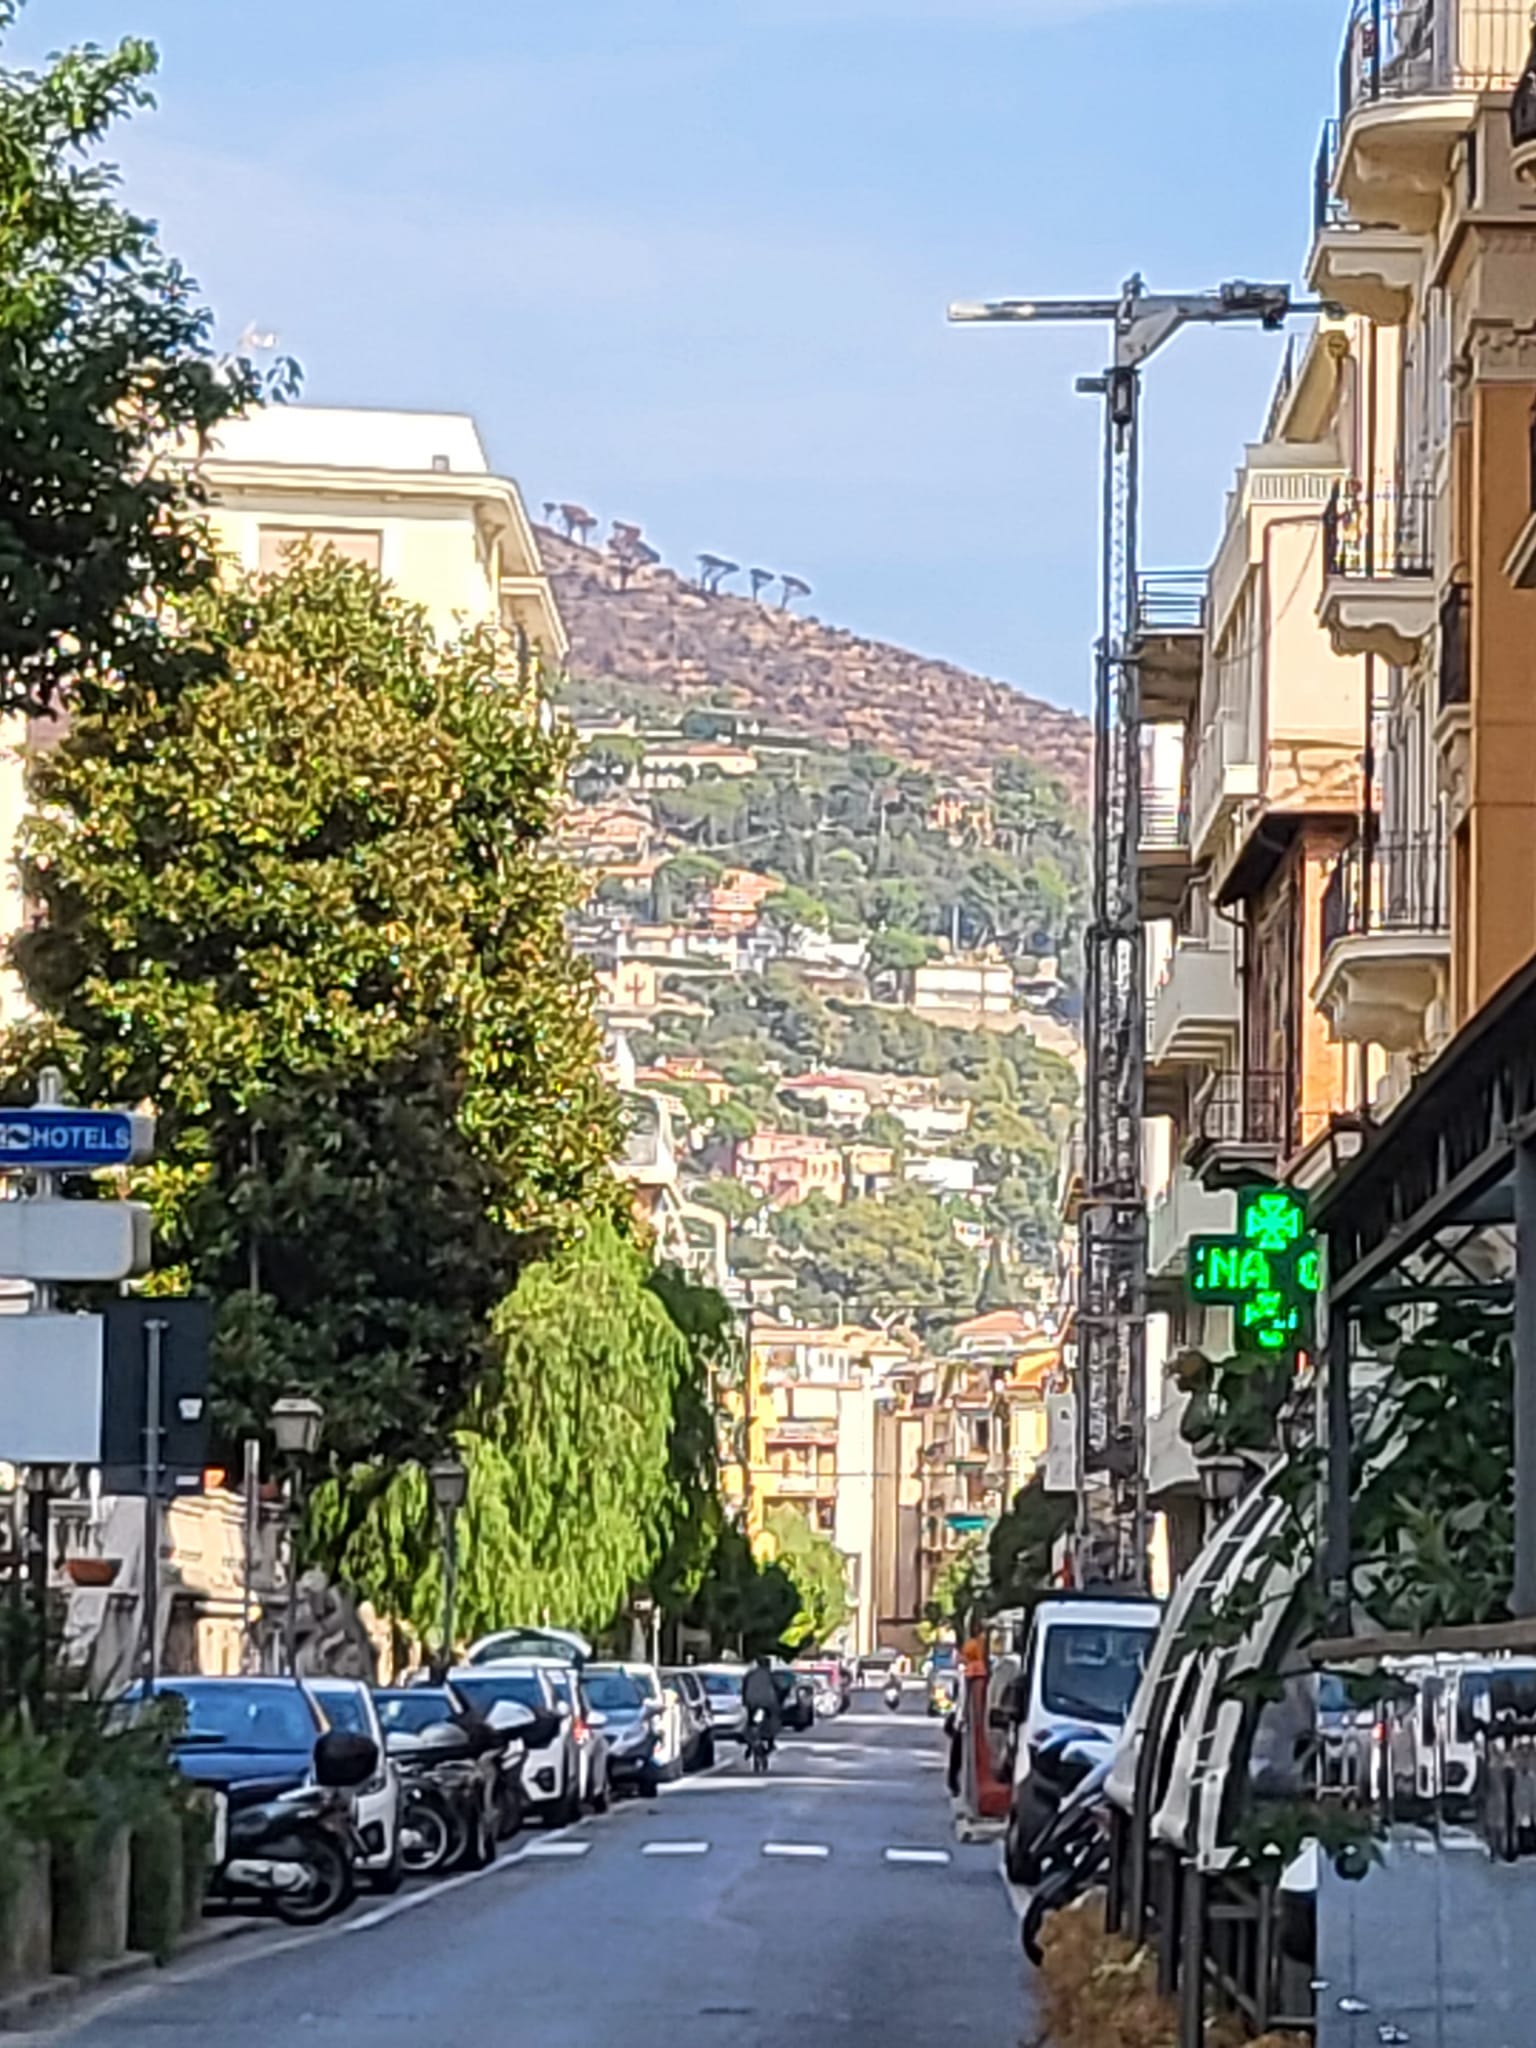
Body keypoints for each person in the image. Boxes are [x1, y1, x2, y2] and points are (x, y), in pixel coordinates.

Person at [742, 1656, 782, 1744]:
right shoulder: (770, 1675)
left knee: (751, 1721)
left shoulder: (750, 1674)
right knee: (773, 1719)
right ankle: (771, 1741)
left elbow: (744, 1688)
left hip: (752, 1702)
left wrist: (745, 1701)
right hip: (767, 1702)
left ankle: (751, 1741)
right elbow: (778, 1687)